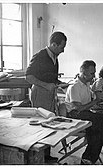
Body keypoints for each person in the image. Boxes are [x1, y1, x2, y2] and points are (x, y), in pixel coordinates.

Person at [26, 31, 67, 163]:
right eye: (62, 47)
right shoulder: (39, 56)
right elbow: (29, 77)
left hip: (50, 92)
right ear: (54, 44)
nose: (63, 51)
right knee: (41, 124)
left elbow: (51, 78)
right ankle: (38, 157)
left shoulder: (54, 57)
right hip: (40, 92)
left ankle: (46, 156)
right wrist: (46, 85)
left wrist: (61, 84)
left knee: (50, 123)